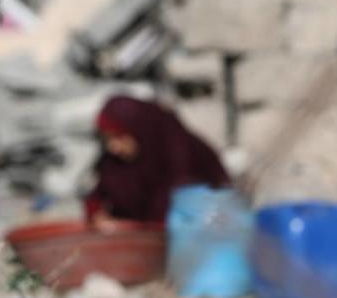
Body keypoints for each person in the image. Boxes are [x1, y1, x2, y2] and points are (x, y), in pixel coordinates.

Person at [85, 95, 230, 224]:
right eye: (108, 139)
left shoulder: (180, 153)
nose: (113, 147)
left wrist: (133, 230)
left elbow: (179, 209)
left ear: (138, 130)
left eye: (119, 137)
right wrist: (98, 214)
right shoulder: (115, 160)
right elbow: (100, 193)